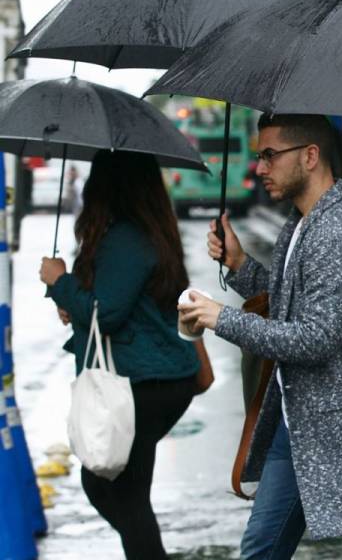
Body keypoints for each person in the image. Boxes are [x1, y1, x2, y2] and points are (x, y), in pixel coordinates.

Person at [178, 113, 342, 560]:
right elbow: (290, 304)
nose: (260, 168)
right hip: (299, 423)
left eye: (270, 156)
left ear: (310, 156)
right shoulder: (303, 222)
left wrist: (223, 319)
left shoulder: (338, 232)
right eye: (260, 157)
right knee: (260, 548)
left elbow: (314, 339)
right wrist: (238, 265)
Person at [40, 151, 199, 560]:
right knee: (112, 487)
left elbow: (105, 313)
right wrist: (74, 300)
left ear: (107, 184)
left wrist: (61, 283)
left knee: (124, 495)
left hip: (144, 385)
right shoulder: (143, 232)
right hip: (154, 380)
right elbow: (114, 303)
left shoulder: (127, 237)